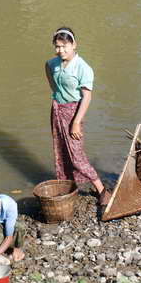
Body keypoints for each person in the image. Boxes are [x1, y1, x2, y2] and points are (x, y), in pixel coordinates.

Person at [45, 27, 112, 208]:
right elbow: (48, 71)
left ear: (74, 44)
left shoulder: (83, 68)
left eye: (65, 46)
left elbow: (87, 97)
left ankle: (102, 190)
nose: (61, 51)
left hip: (74, 112)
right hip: (57, 109)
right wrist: (57, 94)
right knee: (60, 151)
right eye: (57, 46)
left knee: (76, 155)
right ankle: (69, 186)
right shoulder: (53, 63)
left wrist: (76, 122)